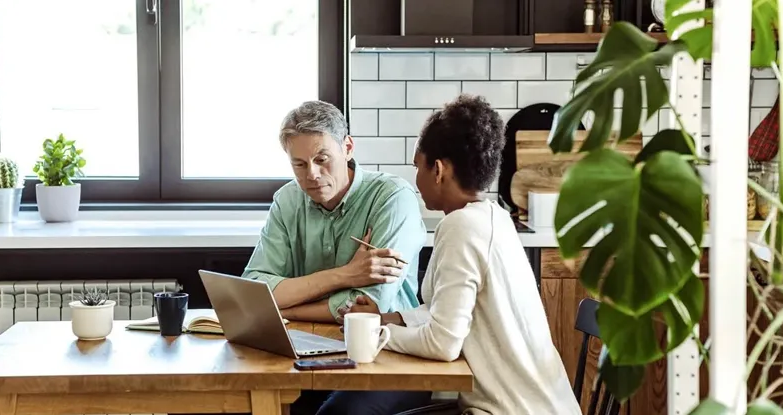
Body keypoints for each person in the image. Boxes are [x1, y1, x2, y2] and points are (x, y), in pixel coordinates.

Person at [345, 94, 582, 415]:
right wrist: (391, 318)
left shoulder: (462, 227)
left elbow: (442, 344)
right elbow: (448, 310)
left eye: (418, 166)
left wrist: (378, 334)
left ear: (438, 170)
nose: (416, 180)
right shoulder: (492, 216)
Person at [241, 100, 434, 414]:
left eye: (322, 159)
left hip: (391, 355)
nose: (312, 175)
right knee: (234, 402)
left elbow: (368, 308)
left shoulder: (392, 198)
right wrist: (346, 274)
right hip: (307, 353)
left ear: (348, 147)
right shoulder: (287, 200)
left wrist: (285, 304)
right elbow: (255, 290)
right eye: (299, 164)